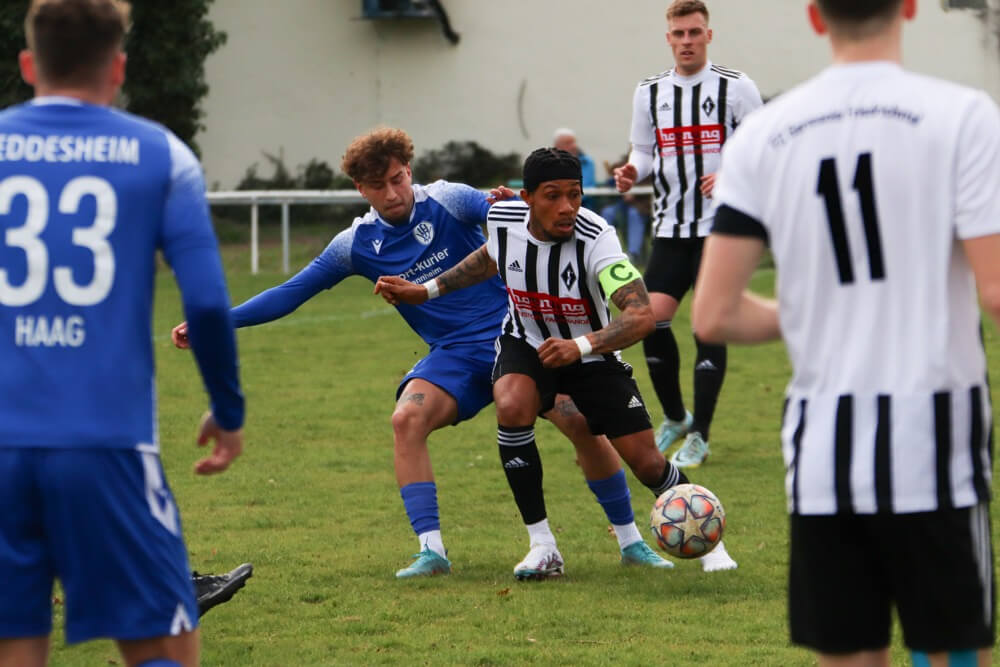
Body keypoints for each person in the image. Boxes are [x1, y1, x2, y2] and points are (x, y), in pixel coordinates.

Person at [173, 127, 673, 579]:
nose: (392, 193)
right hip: (454, 356)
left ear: (409, 171)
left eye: (398, 179)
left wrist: (512, 204)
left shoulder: (451, 200)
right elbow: (292, 291)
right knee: (405, 419)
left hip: (516, 340)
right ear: (361, 190)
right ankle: (431, 552)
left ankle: (631, 541)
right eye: (379, 186)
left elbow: (518, 219)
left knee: (579, 421)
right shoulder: (355, 245)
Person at [692, 1, 999, 664]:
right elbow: (995, 288)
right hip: (934, 437)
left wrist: (813, 312)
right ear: (910, 7)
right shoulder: (964, 116)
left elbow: (713, 314)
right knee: (948, 646)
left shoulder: (764, 134)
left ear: (815, 17)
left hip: (823, 442)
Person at [0, 1, 245, 666]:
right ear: (118, 67)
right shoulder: (161, 154)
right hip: (104, 442)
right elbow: (207, 302)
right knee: (168, 644)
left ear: (28, 65)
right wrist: (228, 411)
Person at [376, 147, 738, 573]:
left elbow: (642, 316)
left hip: (592, 356)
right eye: (552, 195)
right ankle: (543, 545)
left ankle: (710, 541)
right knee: (511, 404)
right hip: (525, 344)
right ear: (526, 198)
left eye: (575, 194)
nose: (567, 207)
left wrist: (581, 346)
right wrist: (427, 290)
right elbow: (489, 258)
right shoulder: (503, 218)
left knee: (647, 463)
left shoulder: (596, 236)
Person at [614, 0, 763, 468]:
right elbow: (643, 151)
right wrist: (630, 172)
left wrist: (731, 175)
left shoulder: (736, 88)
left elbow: (762, 151)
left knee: (707, 322)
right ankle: (676, 416)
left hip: (722, 229)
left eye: (694, 32)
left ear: (708, 36)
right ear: (668, 39)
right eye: (678, 34)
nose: (686, 41)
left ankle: (701, 434)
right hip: (672, 227)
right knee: (650, 319)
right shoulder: (649, 91)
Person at [553, 128, 596, 210]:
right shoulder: (548, 163)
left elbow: (584, 187)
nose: (573, 146)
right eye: (568, 143)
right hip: (556, 207)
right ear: (557, 146)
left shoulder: (586, 162)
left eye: (574, 142)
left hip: (583, 207)